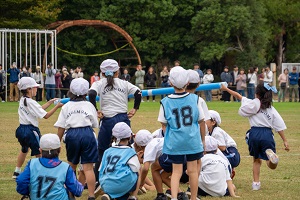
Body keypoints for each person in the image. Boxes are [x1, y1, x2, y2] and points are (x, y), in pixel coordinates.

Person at [221, 82, 289, 190]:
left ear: (257, 93)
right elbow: (279, 126)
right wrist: (285, 140)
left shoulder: (252, 103)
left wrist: (226, 88)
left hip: (254, 134)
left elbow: (238, 95)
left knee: (256, 159)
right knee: (269, 162)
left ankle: (256, 184)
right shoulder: (271, 109)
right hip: (267, 134)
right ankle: (272, 159)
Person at [88, 59, 142, 185]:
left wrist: (96, 109)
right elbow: (138, 92)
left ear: (102, 73)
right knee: (128, 149)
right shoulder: (124, 83)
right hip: (123, 119)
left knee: (102, 150)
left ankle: (98, 181)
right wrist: (135, 108)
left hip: (107, 121)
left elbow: (91, 93)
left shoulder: (100, 83)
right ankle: (131, 178)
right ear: (118, 71)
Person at [158, 66, 206, 200]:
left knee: (176, 172)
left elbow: (163, 124)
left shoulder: (165, 101)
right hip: (192, 141)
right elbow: (201, 120)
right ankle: (194, 197)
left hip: (175, 142)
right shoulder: (196, 99)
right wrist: (203, 140)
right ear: (187, 83)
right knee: (193, 171)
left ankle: (174, 197)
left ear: (171, 83)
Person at [54, 78, 98, 200]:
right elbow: (95, 123)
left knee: (72, 166)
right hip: (87, 134)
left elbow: (61, 126)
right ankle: (91, 195)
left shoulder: (66, 106)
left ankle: (71, 195)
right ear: (86, 92)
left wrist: (57, 143)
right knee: (88, 168)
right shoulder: (89, 105)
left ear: (71, 91)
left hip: (72, 134)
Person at [13, 77, 62, 179]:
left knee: (24, 150)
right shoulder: (31, 102)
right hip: (31, 131)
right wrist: (57, 107)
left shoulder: (23, 100)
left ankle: (17, 171)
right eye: (35, 87)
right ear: (29, 89)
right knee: (39, 152)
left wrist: (50, 102)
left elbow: (39, 109)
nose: (37, 89)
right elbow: (46, 115)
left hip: (21, 130)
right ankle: (43, 173)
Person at [16, 133, 83, 200]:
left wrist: (27, 191)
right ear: (60, 149)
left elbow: (21, 180)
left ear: (40, 150)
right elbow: (77, 190)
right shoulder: (65, 167)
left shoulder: (32, 164)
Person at [99, 122, 140, 200]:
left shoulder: (107, 151)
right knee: (138, 172)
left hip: (105, 184)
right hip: (120, 184)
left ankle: (109, 195)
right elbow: (136, 168)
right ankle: (133, 196)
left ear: (113, 136)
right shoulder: (130, 152)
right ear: (130, 137)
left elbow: (101, 169)